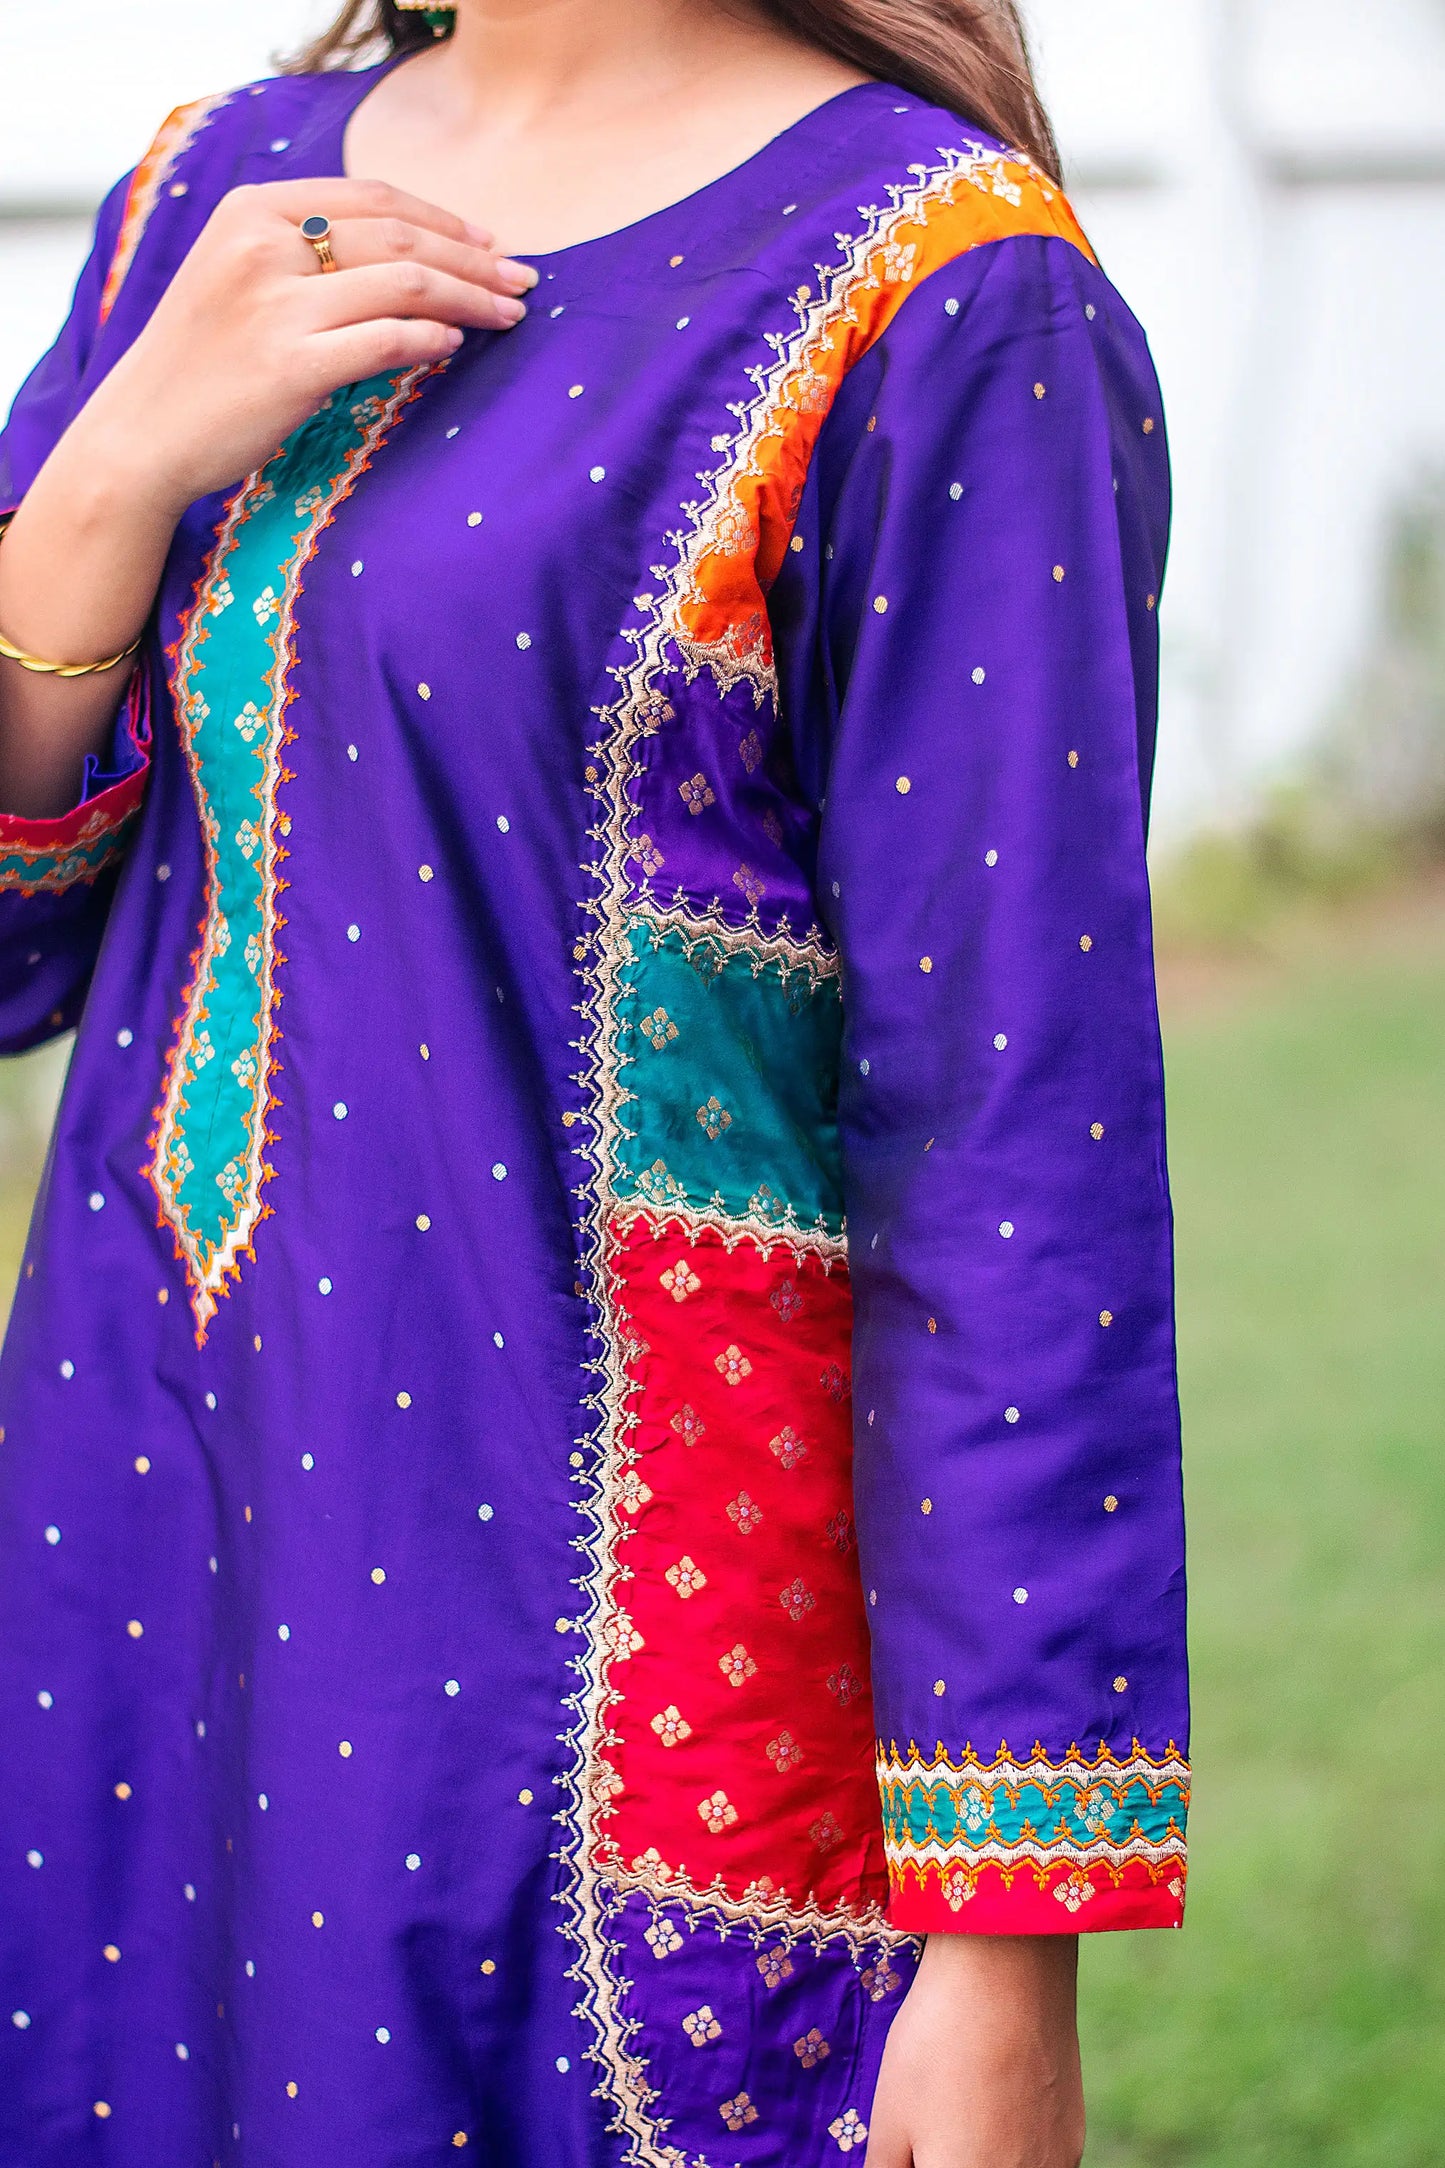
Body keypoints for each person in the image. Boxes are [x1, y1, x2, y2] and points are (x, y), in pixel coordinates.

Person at [0, 2, 1189, 2162]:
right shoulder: (217, 189)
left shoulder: (942, 285)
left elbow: (1023, 1149)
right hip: (135, 1577)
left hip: (613, 1727)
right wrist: (103, 475)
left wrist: (1006, 1949)